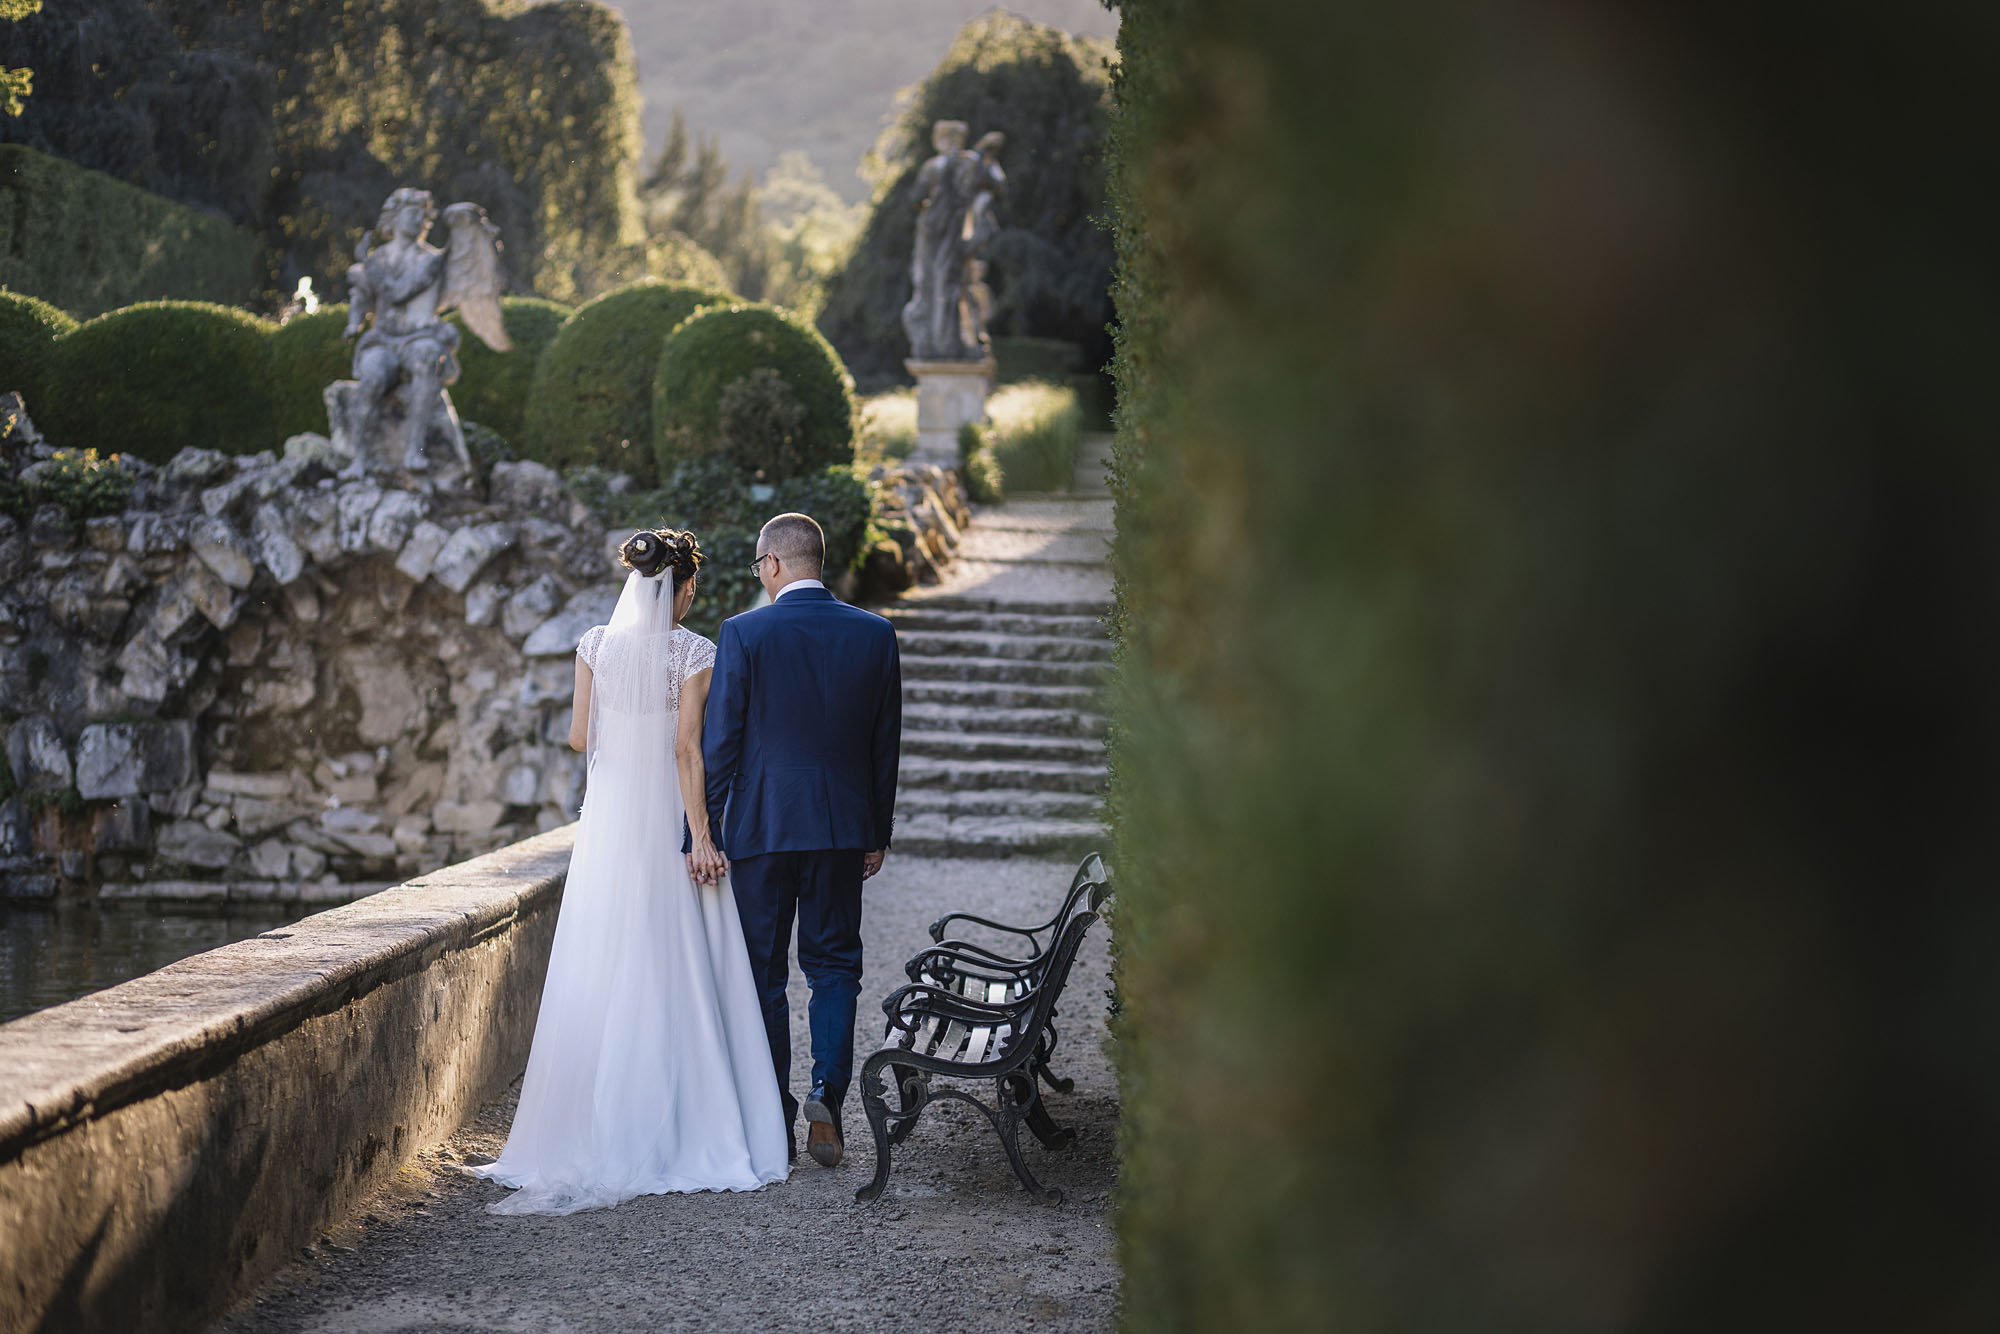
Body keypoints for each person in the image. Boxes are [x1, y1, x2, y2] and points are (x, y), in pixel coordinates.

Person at [470, 529, 789, 1214]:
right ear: (685, 588)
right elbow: (686, 751)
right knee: (673, 960)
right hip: (662, 819)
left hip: (610, 824)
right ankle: (675, 1121)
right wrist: (701, 836)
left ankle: (583, 1128)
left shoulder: (593, 645)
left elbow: (580, 738)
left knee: (603, 961)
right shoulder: (694, 652)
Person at [702, 512, 902, 1168]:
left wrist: (697, 831)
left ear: (774, 564)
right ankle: (828, 1095)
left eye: (761, 566)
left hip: (759, 831)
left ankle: (773, 1122)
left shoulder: (745, 633)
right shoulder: (876, 635)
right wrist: (876, 832)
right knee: (834, 966)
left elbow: (721, 743)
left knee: (763, 975)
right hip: (842, 829)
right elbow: (884, 748)